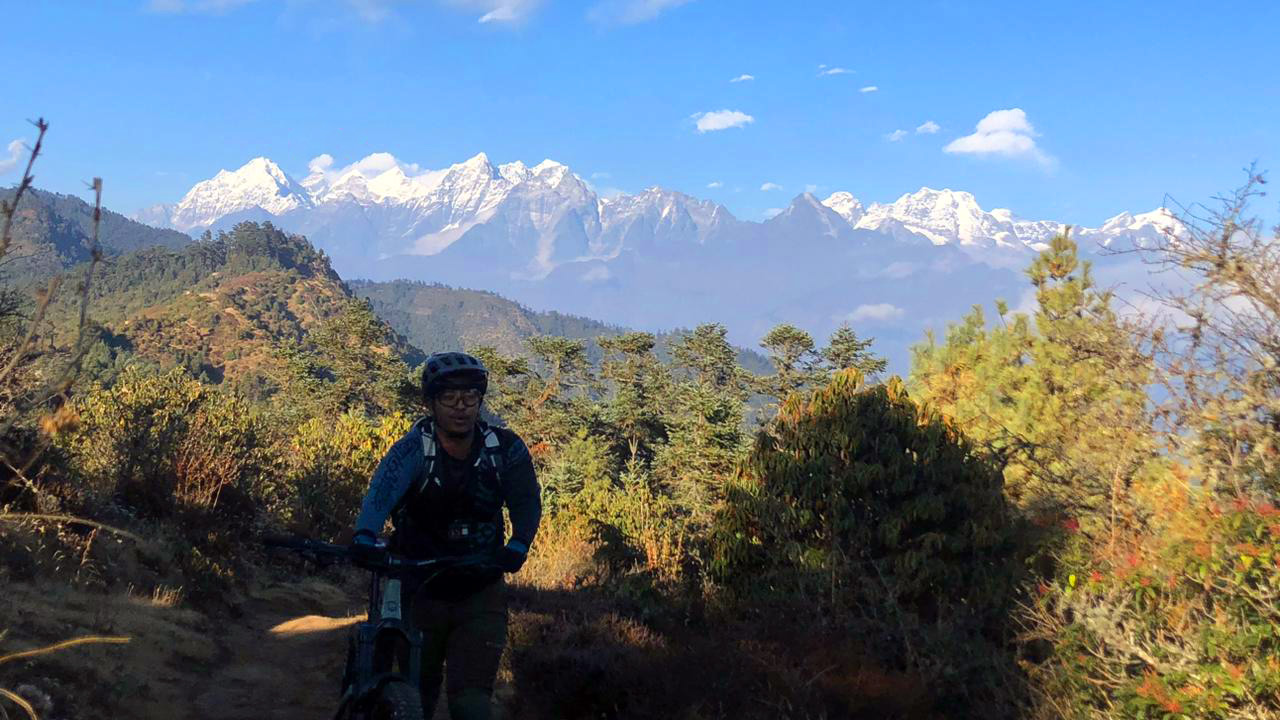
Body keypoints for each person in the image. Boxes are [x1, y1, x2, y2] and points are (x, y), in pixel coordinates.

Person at [351, 351, 541, 720]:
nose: (461, 407)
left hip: (480, 589)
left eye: (470, 397)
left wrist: (519, 543)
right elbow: (380, 494)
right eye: (449, 398)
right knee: (415, 697)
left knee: (471, 702)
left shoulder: (504, 449)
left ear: (480, 400)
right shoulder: (413, 449)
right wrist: (364, 534)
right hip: (419, 589)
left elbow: (526, 501)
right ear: (430, 402)